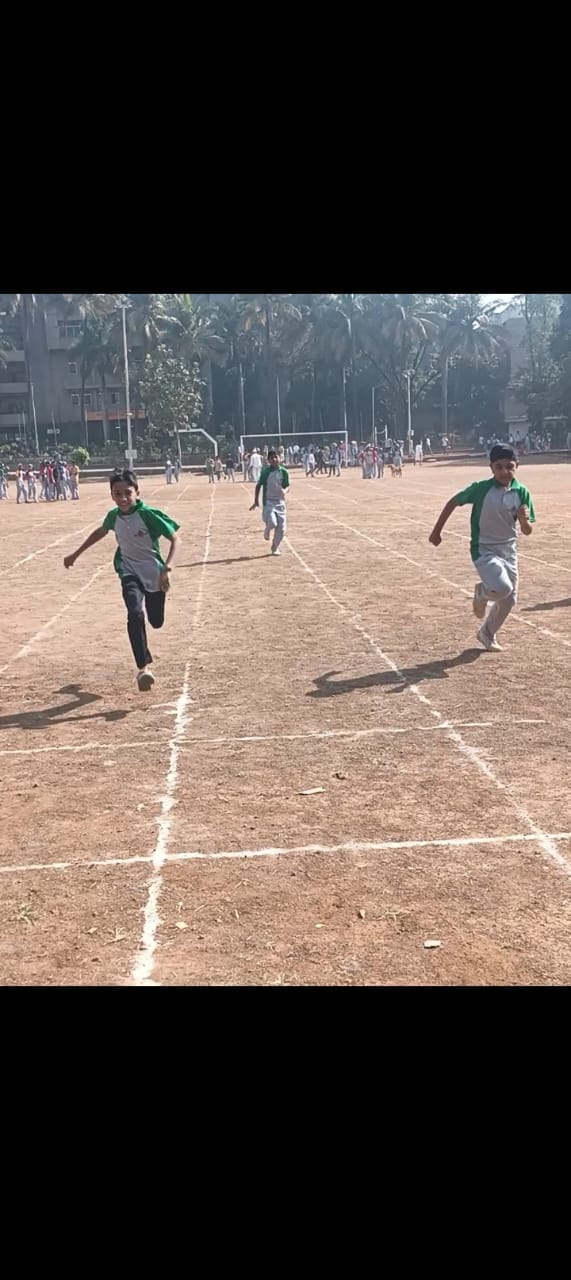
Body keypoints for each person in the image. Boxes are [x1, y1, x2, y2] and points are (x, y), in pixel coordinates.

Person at [63, 468, 180, 692]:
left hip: (154, 574)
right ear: (112, 495)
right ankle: (143, 669)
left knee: (156, 621)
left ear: (137, 492)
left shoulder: (148, 515)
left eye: (127, 493)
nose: (123, 498)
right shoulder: (113, 516)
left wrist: (167, 567)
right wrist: (75, 554)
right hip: (128, 571)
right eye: (117, 494)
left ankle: (148, 642)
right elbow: (100, 532)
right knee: (134, 614)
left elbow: (175, 538)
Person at [428, 443, 535, 652]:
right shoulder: (481, 489)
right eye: (499, 467)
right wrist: (436, 531)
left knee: (509, 600)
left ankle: (487, 633)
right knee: (502, 588)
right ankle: (482, 593)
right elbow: (453, 502)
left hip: (509, 550)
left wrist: (523, 520)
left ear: (517, 465)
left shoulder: (521, 492)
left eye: (509, 466)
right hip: (484, 549)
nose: (504, 471)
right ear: (491, 468)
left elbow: (527, 530)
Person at [250, 448, 289, 557]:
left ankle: (275, 547)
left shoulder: (284, 472)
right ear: (268, 461)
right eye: (272, 458)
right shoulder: (266, 472)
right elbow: (258, 486)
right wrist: (256, 501)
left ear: (279, 458)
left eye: (276, 457)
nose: (274, 460)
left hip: (280, 502)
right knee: (272, 522)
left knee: (281, 529)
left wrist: (285, 491)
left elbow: (287, 486)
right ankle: (267, 530)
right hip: (269, 502)